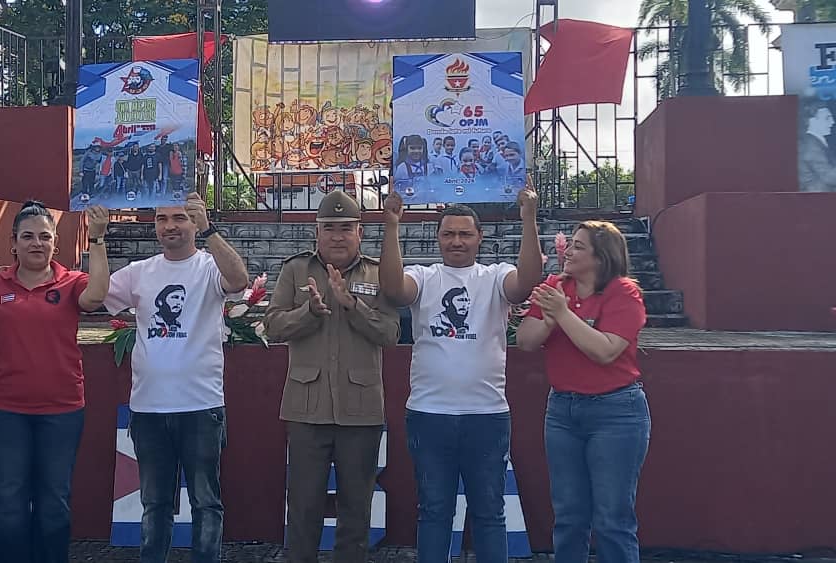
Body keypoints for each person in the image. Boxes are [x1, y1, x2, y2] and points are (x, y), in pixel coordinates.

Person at [378, 179, 542, 563]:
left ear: (479, 238)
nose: (456, 241)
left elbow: (525, 284)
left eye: (465, 234)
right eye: (448, 234)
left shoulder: (496, 276)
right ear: (437, 238)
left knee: (489, 513)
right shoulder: (424, 276)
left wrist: (529, 219)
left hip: (486, 416)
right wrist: (391, 225)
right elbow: (393, 290)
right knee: (434, 512)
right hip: (429, 415)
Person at [103, 192, 248, 563]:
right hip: (149, 409)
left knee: (206, 502)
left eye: (180, 218)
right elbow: (93, 296)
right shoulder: (139, 272)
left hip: (201, 406)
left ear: (194, 222)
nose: (170, 226)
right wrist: (96, 239)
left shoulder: (209, 267)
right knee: (155, 504)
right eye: (162, 219)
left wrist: (210, 231)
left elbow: (238, 280)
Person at [0, 202, 111, 563]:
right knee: (8, 501)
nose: (36, 243)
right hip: (5, 412)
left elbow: (97, 297)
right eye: (28, 236)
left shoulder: (72, 282)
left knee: (53, 502)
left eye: (44, 237)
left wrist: (97, 239)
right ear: (13, 243)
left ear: (55, 243)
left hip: (61, 412)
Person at [264, 190, 400, 563]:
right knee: (303, 507)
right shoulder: (296, 270)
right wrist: (309, 312)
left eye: (346, 228)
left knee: (356, 510)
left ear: (360, 232)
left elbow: (391, 333)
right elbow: (272, 326)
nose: (337, 236)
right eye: (329, 228)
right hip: (307, 410)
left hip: (361, 411)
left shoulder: (378, 272)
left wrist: (352, 306)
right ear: (316, 232)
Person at [516, 221, 650, 563]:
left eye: (578, 246)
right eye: (570, 244)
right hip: (562, 411)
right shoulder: (555, 287)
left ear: (601, 256)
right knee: (569, 515)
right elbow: (525, 341)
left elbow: (604, 351)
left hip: (615, 412)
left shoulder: (623, 292)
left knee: (612, 518)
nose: (568, 252)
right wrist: (549, 320)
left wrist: (561, 313)